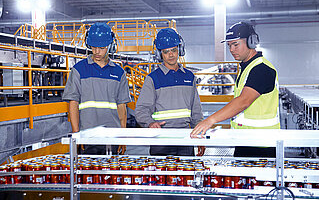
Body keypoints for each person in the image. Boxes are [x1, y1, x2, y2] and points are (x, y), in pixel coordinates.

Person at [191, 22, 280, 157]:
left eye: (236, 44)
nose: (232, 49)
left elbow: (243, 101)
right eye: (229, 45)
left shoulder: (262, 69)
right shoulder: (245, 68)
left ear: (251, 42)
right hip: (245, 140)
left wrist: (210, 120)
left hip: (262, 144)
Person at [62, 22, 131, 154]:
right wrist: (76, 134)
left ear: (111, 46)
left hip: (113, 135)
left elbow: (122, 107)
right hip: (87, 136)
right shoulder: (78, 70)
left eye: (102, 48)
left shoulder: (119, 73)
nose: (97, 52)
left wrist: (123, 136)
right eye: (94, 47)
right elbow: (73, 103)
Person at [136, 28, 204, 156]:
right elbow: (141, 109)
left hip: (185, 137)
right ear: (159, 54)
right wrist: (150, 123)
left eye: (174, 50)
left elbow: (196, 110)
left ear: (180, 49)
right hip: (161, 139)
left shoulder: (189, 77)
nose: (171, 55)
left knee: (187, 175)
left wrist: (200, 135)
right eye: (166, 52)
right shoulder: (153, 79)